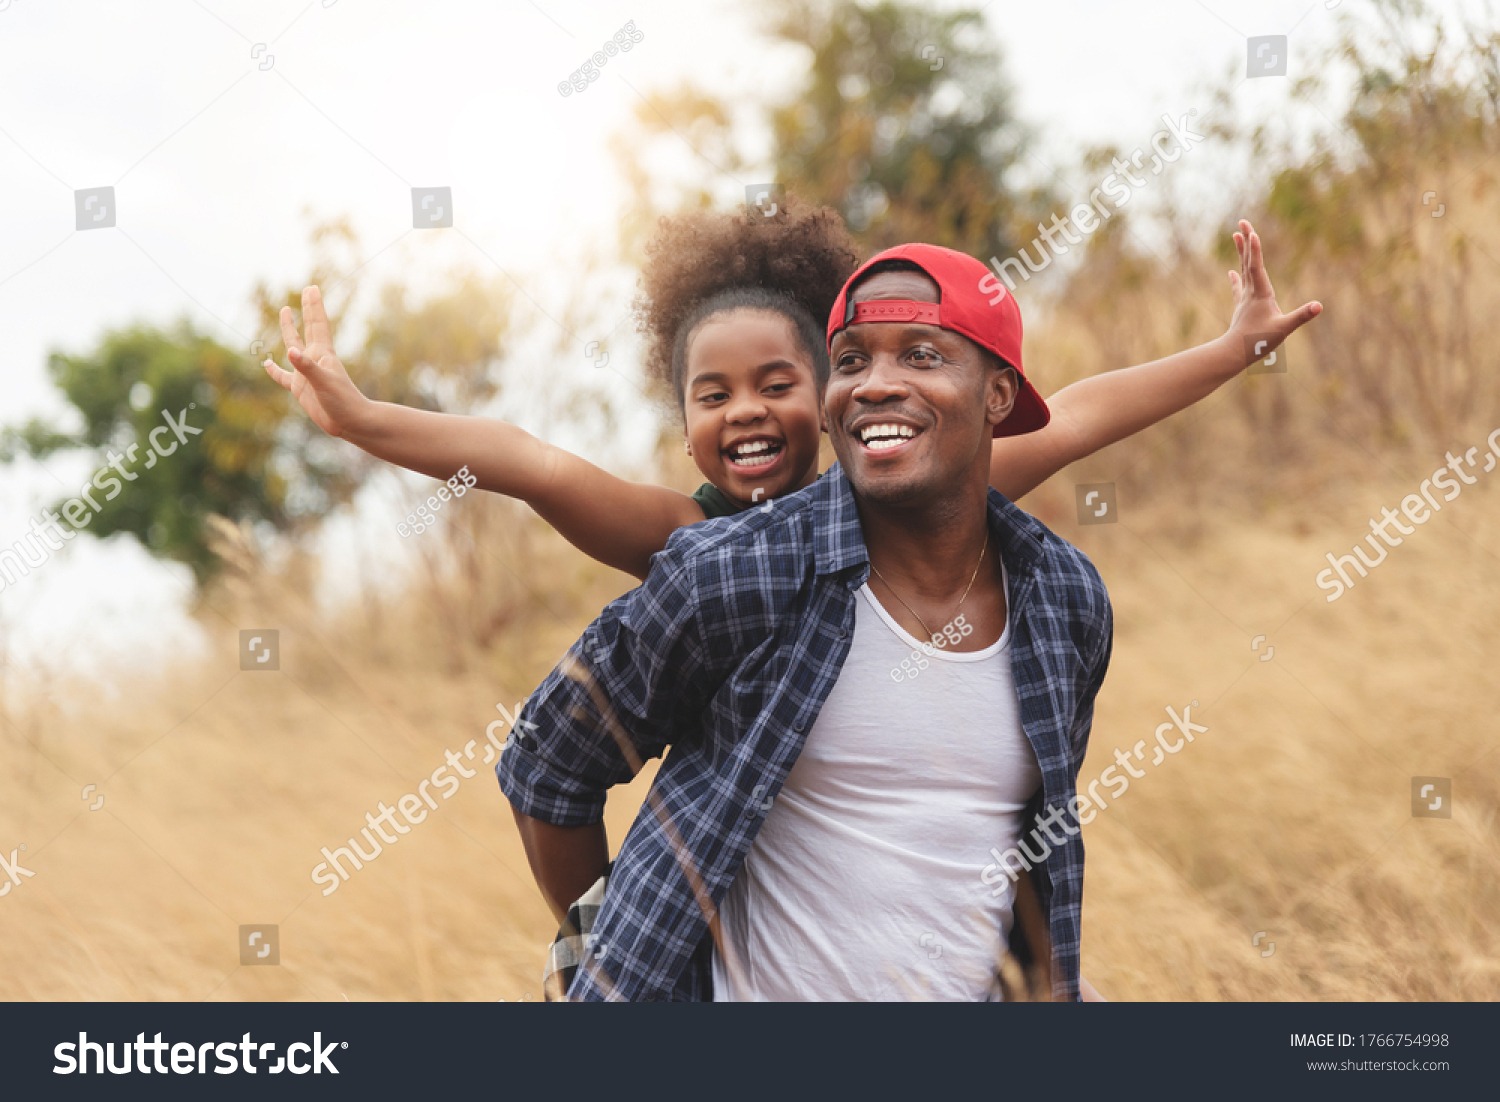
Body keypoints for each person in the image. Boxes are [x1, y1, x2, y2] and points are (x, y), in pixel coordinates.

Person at [499, 242, 1137, 1001]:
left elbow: (1025, 848)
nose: (877, 385)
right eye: (852, 360)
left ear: (999, 395)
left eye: (922, 355)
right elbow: (549, 762)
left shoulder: (1064, 601)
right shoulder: (730, 573)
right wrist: (624, 950)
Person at [262, 199, 1319, 583]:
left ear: (834, 395)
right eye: (712, 396)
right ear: (684, 433)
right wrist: (362, 419)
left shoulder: (909, 496)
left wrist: (1231, 350)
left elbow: (1081, 410)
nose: (746, 411)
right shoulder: (684, 536)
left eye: (779, 381)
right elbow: (525, 459)